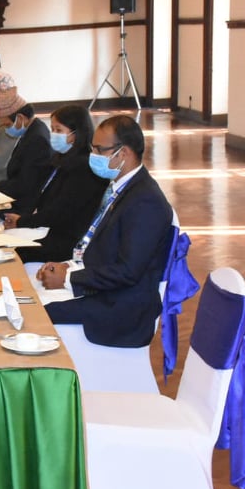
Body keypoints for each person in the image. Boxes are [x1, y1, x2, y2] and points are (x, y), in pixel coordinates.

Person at [36, 115, 173, 347]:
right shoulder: (122, 187)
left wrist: (69, 279)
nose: (93, 155)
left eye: (100, 150)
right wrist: (69, 266)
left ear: (123, 153)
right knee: (28, 301)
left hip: (119, 308)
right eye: (93, 148)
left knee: (35, 314)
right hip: (104, 291)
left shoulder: (145, 201)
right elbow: (103, 247)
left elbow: (128, 271)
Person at [6, 105, 108, 263]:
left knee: (12, 253)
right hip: (53, 230)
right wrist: (23, 218)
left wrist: (22, 221)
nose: (53, 134)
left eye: (59, 130)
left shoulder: (83, 168)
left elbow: (60, 212)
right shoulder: (63, 159)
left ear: (75, 134)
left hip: (67, 241)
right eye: (52, 129)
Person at [0, 78, 52, 213]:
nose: (7, 129)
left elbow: (26, 182)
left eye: (7, 125)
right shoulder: (31, 130)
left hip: (21, 205)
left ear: (20, 118)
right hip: (13, 193)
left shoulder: (37, 139)